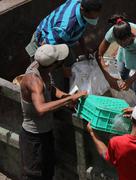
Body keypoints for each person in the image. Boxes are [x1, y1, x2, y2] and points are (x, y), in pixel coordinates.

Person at [19, 44, 87, 180]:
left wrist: (65, 96)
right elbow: (41, 108)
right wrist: (70, 100)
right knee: (35, 176)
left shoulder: (43, 69)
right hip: (34, 138)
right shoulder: (34, 80)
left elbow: (51, 89)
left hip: (46, 133)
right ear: (52, 65)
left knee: (48, 172)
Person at [25, 0, 103, 90]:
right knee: (52, 83)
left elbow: (79, 30)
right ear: (82, 10)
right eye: (92, 16)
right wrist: (62, 68)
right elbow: (46, 48)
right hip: (46, 48)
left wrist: (84, 48)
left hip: (60, 42)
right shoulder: (65, 28)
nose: (95, 18)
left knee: (71, 67)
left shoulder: (81, 4)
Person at [97, 15, 136, 102]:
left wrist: (131, 80)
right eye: (119, 42)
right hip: (127, 51)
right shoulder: (113, 33)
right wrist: (108, 76)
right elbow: (99, 54)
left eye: (125, 42)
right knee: (122, 75)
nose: (122, 44)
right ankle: (130, 99)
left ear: (131, 36)